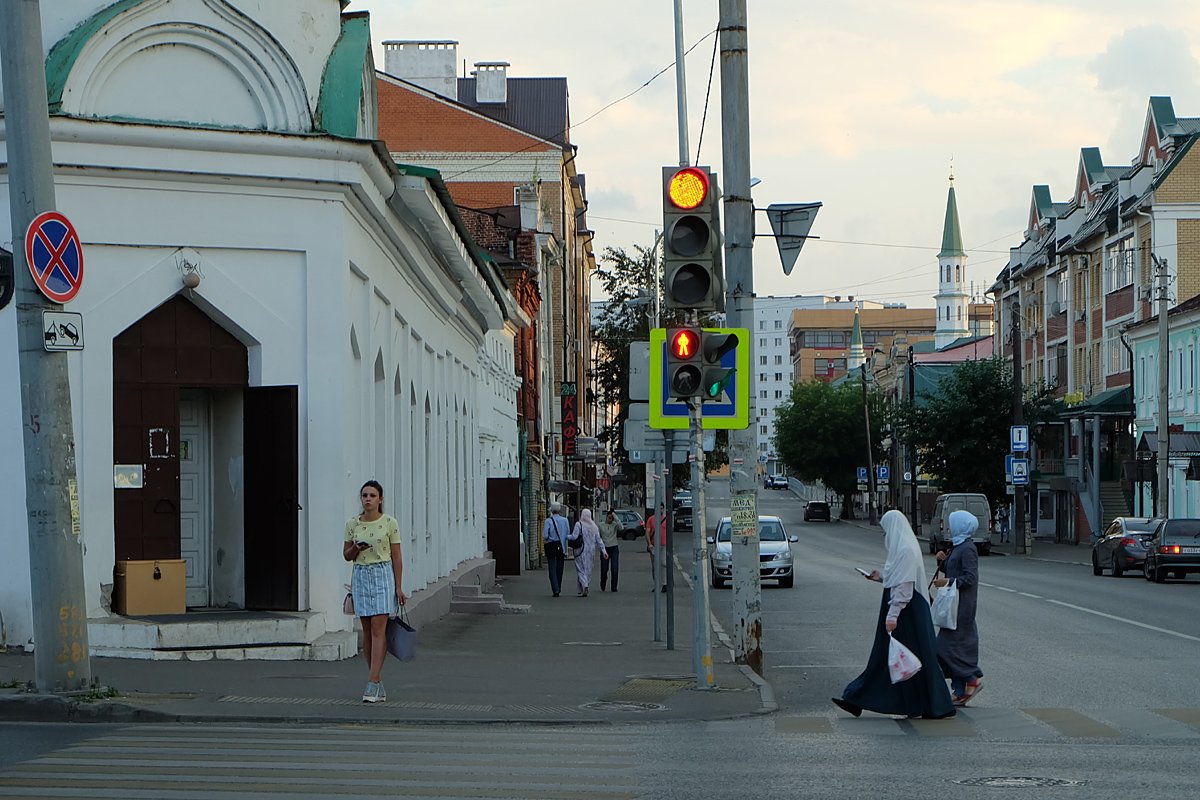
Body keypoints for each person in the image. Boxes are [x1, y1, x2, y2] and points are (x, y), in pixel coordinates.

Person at [832, 510, 956, 719]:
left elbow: (905, 587)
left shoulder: (906, 550)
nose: (885, 535)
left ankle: (935, 706)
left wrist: (892, 616)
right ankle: (930, 705)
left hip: (907, 614)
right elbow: (897, 578)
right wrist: (880, 577)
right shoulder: (904, 548)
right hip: (906, 613)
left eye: (886, 530)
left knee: (900, 659)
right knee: (907, 659)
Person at [342, 479, 406, 704]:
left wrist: (398, 586)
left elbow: (396, 556)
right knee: (367, 631)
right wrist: (355, 548)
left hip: (382, 575)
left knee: (379, 629)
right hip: (360, 575)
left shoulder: (389, 523)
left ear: (380, 499)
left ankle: (372, 682)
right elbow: (347, 555)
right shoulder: (353, 523)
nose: (367, 499)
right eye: (364, 495)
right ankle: (376, 681)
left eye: (372, 495)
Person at [933, 510, 983, 705]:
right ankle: (960, 689)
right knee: (955, 647)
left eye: (952, 522)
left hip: (961, 606)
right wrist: (941, 561)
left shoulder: (968, 548)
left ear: (960, 525)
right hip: (953, 605)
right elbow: (954, 569)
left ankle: (972, 678)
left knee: (945, 647)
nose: (948, 525)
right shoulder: (958, 545)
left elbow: (970, 578)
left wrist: (948, 582)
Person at [570, 508, 608, 597]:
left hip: (581, 550)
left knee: (580, 569)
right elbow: (599, 540)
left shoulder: (578, 524)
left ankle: (585, 585)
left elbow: (574, 537)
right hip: (591, 550)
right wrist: (604, 551)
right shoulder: (594, 526)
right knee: (588, 569)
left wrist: (566, 536)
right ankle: (581, 588)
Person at [542, 504, 570, 597]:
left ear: (551, 510)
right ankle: (559, 586)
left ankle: (555, 589)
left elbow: (545, 535)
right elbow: (567, 534)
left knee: (552, 567)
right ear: (559, 510)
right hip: (561, 546)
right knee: (559, 568)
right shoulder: (565, 520)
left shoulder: (548, 521)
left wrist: (549, 538)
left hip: (551, 545)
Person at [644, 502, 668, 592]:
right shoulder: (651, 519)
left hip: (664, 545)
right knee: (655, 566)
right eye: (659, 508)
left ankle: (665, 584)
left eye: (662, 508)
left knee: (663, 563)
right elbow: (647, 532)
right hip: (654, 546)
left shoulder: (666, 519)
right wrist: (649, 544)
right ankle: (657, 584)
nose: (660, 510)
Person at [598, 507, 622, 592]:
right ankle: (603, 583)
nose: (610, 520)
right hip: (605, 548)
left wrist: (616, 517)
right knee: (604, 569)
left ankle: (614, 587)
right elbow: (597, 536)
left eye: (612, 518)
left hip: (614, 547)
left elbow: (621, 527)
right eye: (609, 518)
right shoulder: (601, 525)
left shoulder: (615, 525)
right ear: (606, 517)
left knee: (615, 568)